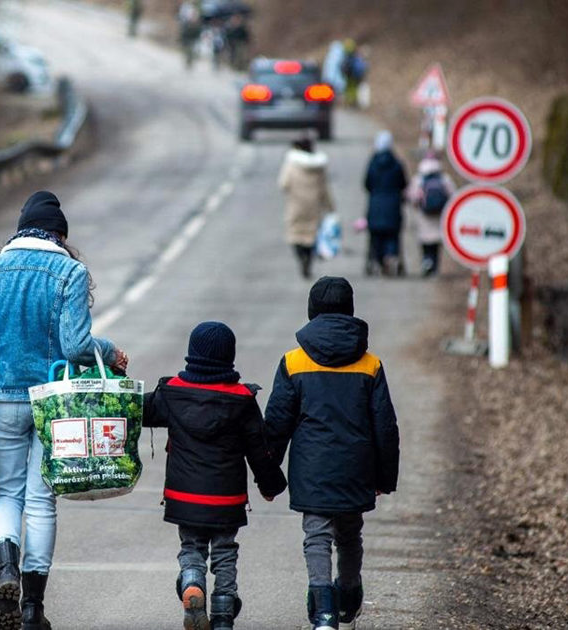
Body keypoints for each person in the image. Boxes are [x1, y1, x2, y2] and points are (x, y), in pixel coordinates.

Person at [0, 191, 130, 630]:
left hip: (3, 399)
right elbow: (78, 347)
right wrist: (109, 351)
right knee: (42, 501)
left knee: (7, 495)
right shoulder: (70, 272)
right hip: (55, 407)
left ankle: (6, 570)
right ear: (60, 235)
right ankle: (32, 610)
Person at [263, 277, 400, 630]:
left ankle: (323, 609)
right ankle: (350, 595)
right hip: (357, 467)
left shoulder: (293, 362)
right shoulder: (369, 364)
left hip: (313, 467)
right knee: (350, 532)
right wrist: (384, 477)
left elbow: (277, 422)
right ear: (350, 311)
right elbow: (385, 426)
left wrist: (269, 475)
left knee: (317, 535)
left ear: (311, 311)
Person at [143, 322, 287, 630]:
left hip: (185, 496)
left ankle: (193, 582)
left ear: (191, 354)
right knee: (224, 552)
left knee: (192, 547)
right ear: (229, 357)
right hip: (227, 497)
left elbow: (138, 411)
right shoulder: (242, 399)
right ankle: (223, 613)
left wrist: (110, 381)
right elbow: (258, 450)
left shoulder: (172, 393)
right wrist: (270, 484)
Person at [279, 137, 334, 279]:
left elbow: (283, 184)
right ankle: (308, 261)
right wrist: (330, 207)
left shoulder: (291, 165)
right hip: (314, 207)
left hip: (296, 206)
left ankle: (301, 257)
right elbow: (324, 188)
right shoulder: (319, 167)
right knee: (312, 235)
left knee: (296, 235)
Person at [363, 131, 408, 276]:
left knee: (376, 237)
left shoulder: (372, 163)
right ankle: (391, 256)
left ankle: (378, 260)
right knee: (392, 235)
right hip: (393, 205)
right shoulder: (397, 163)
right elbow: (403, 183)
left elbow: (366, 184)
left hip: (376, 205)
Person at [406, 153, 455, 276]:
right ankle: (435, 267)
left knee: (425, 242)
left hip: (424, 216)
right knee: (436, 243)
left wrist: (416, 204)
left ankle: (426, 261)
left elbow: (412, 197)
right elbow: (453, 196)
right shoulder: (444, 178)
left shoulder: (419, 179)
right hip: (439, 216)